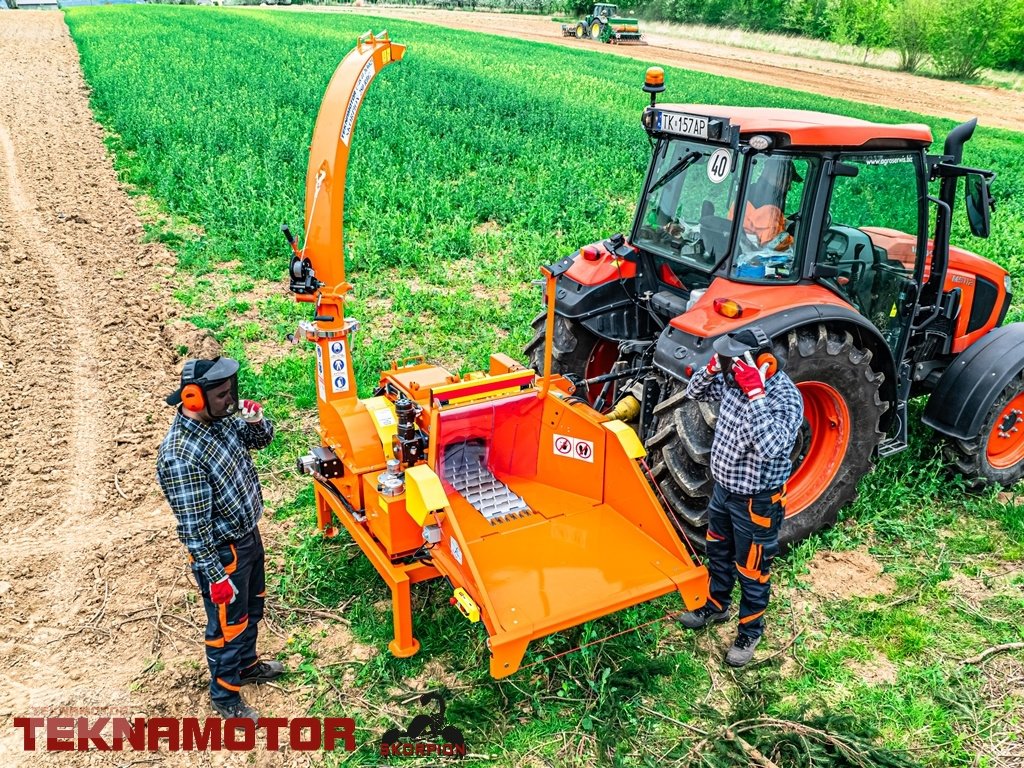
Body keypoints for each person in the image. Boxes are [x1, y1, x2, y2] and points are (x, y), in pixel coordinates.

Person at [157, 356, 283, 721]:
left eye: (232, 392)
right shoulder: (182, 456)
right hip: (224, 551)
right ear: (194, 398)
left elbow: (261, 440)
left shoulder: (221, 422)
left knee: (252, 608)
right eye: (224, 394)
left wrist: (256, 420)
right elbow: (194, 529)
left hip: (248, 535)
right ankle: (225, 698)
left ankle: (246, 666)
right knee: (228, 625)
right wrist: (215, 576)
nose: (231, 400)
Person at [676, 327, 804, 667]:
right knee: (717, 550)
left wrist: (756, 395)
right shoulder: (730, 380)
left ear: (759, 361)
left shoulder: (785, 398)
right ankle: (716, 606)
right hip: (724, 491)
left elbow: (772, 447)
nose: (727, 365)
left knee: (753, 568)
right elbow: (694, 391)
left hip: (757, 500)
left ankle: (750, 630)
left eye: (730, 360)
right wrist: (713, 369)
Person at [741, 157, 802, 252]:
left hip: (744, 249)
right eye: (788, 181)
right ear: (778, 176)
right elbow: (774, 243)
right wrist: (797, 241)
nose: (789, 187)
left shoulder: (746, 194)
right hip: (754, 256)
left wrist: (786, 223)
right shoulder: (770, 205)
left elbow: (761, 222)